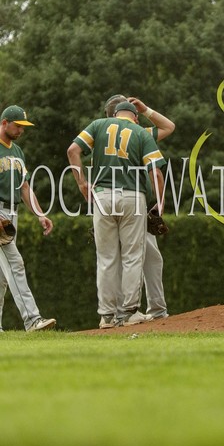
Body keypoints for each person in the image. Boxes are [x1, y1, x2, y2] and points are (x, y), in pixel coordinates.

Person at [67, 101, 166, 328]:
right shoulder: (140, 132)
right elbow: (156, 173)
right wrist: (159, 203)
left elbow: (72, 150)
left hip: (101, 196)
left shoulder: (98, 125)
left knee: (106, 258)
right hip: (132, 196)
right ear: (134, 117)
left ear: (115, 114)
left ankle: (107, 316)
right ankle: (130, 312)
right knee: (132, 256)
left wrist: (82, 183)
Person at [103, 94, 174, 319]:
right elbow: (168, 127)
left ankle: (151, 309)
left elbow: (169, 127)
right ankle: (124, 311)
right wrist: (145, 110)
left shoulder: (100, 134)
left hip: (108, 201)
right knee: (132, 258)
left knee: (143, 257)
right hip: (132, 201)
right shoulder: (138, 134)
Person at [0, 105, 56, 332]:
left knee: (3, 277)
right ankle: (32, 319)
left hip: (12, 212)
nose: (21, 130)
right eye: (18, 125)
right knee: (15, 264)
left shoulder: (17, 152)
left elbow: (24, 187)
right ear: (4, 122)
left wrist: (40, 214)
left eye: (24, 126)